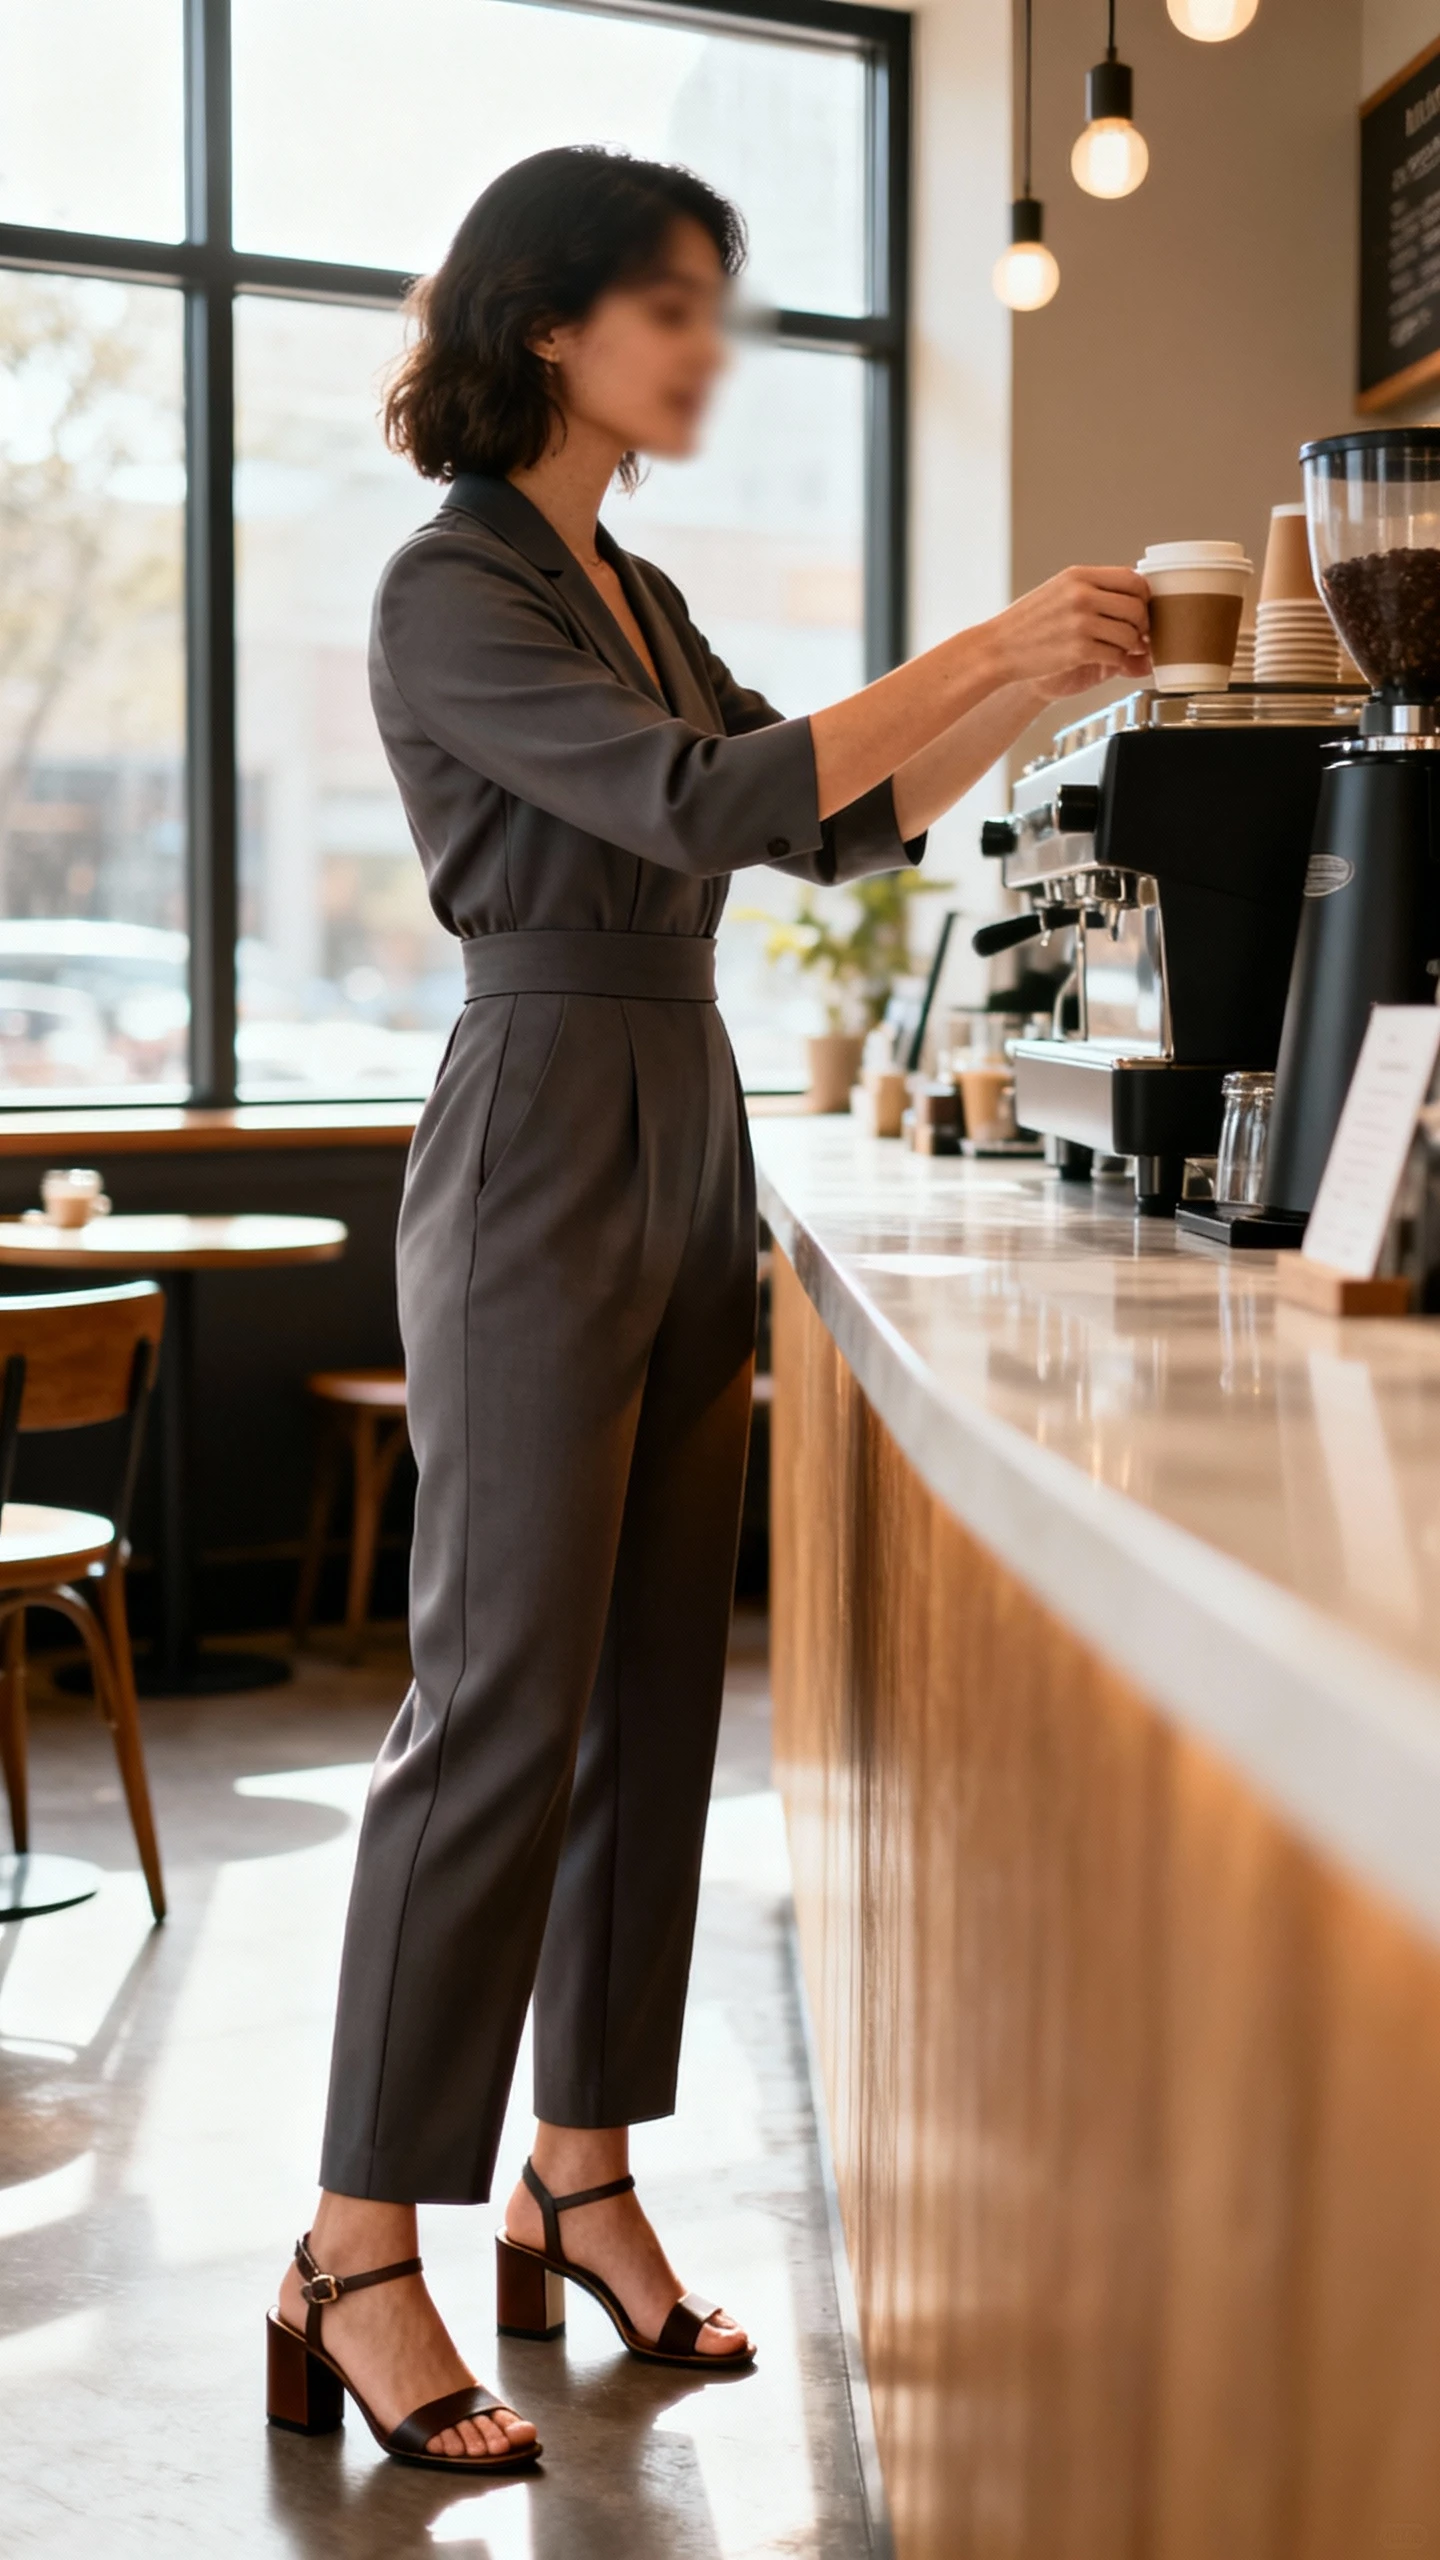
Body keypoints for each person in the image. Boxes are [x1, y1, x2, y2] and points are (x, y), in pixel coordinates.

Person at [266, 142, 1151, 2475]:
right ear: (549, 323)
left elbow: (830, 827)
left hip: (684, 1113)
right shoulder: (450, 587)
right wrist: (984, 638)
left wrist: (1038, 689)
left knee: (654, 1691)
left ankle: (584, 2177)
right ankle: (360, 2236)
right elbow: (697, 797)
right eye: (674, 304)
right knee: (497, 1705)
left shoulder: (622, 582)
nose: (708, 350)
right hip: (545, 1116)